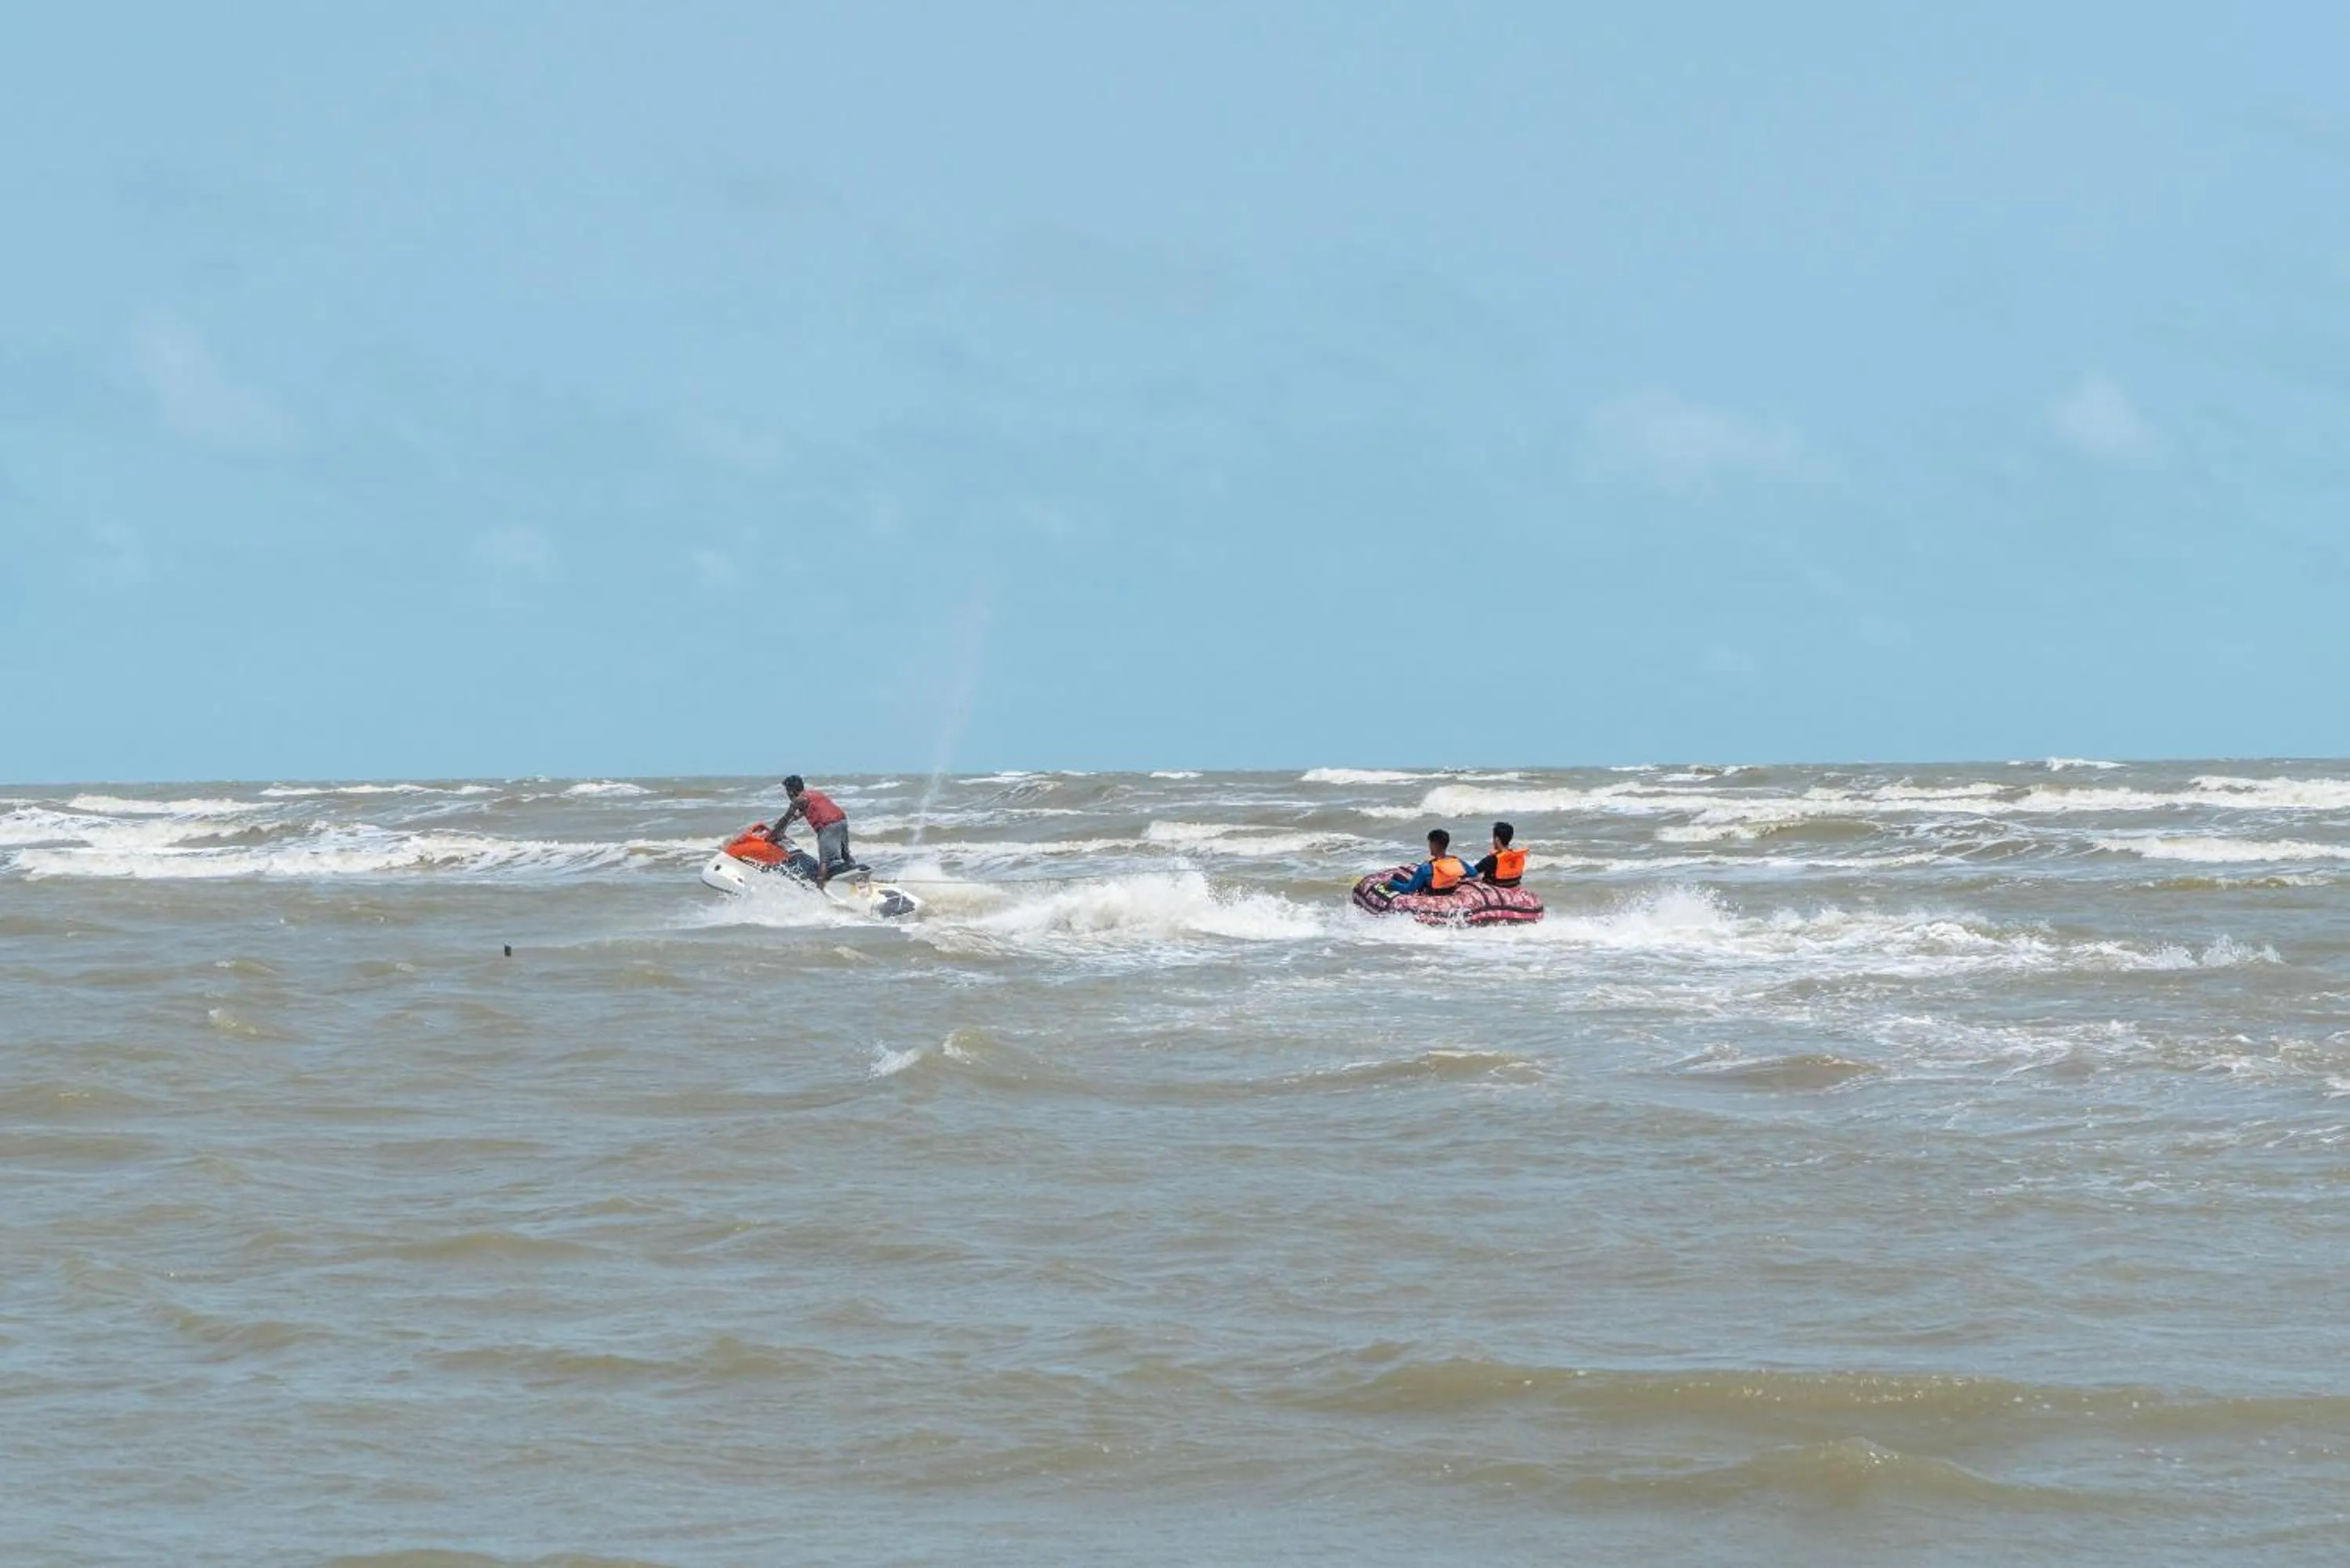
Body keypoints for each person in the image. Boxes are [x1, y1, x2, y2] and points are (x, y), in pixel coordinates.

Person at [763, 775, 853, 888]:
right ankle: (854, 877)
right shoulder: (813, 794)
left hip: (828, 825)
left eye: (787, 790)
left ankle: (820, 889)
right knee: (845, 854)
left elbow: (786, 818)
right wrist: (783, 829)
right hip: (842, 820)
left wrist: (773, 835)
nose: (787, 794)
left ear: (791, 791)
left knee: (824, 860)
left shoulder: (798, 800)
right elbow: (796, 816)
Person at [1383, 829, 1473, 896]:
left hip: (1432, 894)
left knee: (1397, 877)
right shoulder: (1457, 862)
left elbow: (1409, 889)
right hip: (1449, 892)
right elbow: (1473, 873)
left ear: (1434, 845)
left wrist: (1392, 885)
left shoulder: (1425, 868)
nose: (1429, 846)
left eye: (1430, 843)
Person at [1473, 821, 1528, 887]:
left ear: (1497, 839)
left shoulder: (1491, 859)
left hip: (1496, 887)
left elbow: (1473, 871)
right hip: (1513, 884)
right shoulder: (1517, 856)